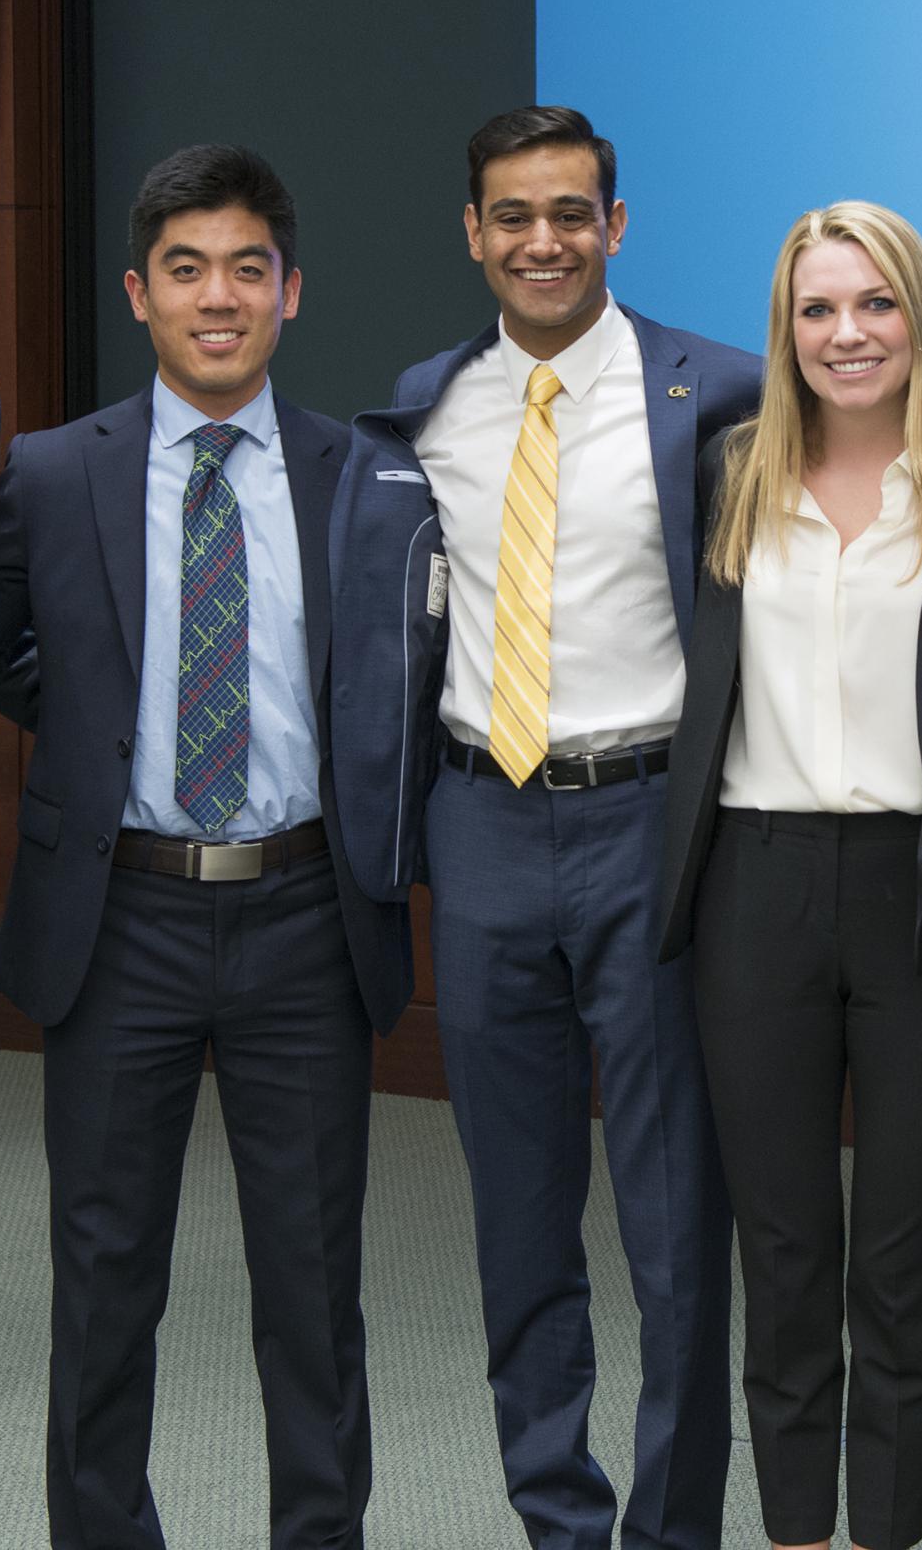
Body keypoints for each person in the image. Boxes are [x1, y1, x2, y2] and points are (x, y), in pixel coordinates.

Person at [329, 105, 754, 1550]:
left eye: (571, 213)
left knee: (674, 1223)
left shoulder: (725, 392)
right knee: (518, 1218)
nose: (543, 241)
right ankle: (557, 1519)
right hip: (484, 829)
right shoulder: (427, 401)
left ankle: (673, 1529)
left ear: (616, 227)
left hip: (655, 834)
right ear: (473, 233)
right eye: (513, 215)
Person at [0, 144, 410, 1549]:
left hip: (304, 914)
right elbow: (12, 656)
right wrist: (113, 737)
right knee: (105, 1282)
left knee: (312, 1284)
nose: (216, 297)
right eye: (185, 270)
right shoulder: (51, 473)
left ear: (290, 292)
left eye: (246, 269)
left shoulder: (369, 475)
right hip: (122, 922)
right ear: (139, 294)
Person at [653, 202, 922, 1550]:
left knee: (901, 1263)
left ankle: (887, 1532)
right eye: (818, 309)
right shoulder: (723, 470)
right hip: (753, 893)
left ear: (920, 318)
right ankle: (793, 1536)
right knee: (781, 1252)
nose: (847, 335)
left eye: (875, 305)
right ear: (785, 327)